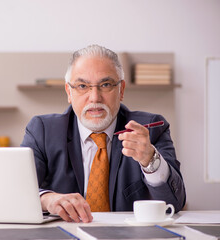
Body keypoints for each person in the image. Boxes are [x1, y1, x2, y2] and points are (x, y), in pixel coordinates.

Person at [21, 45, 186, 223]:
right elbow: (15, 191)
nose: (94, 97)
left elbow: (174, 204)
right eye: (83, 86)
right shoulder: (42, 131)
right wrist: (47, 199)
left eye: (105, 85)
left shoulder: (149, 131)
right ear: (69, 92)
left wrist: (150, 160)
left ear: (121, 90)